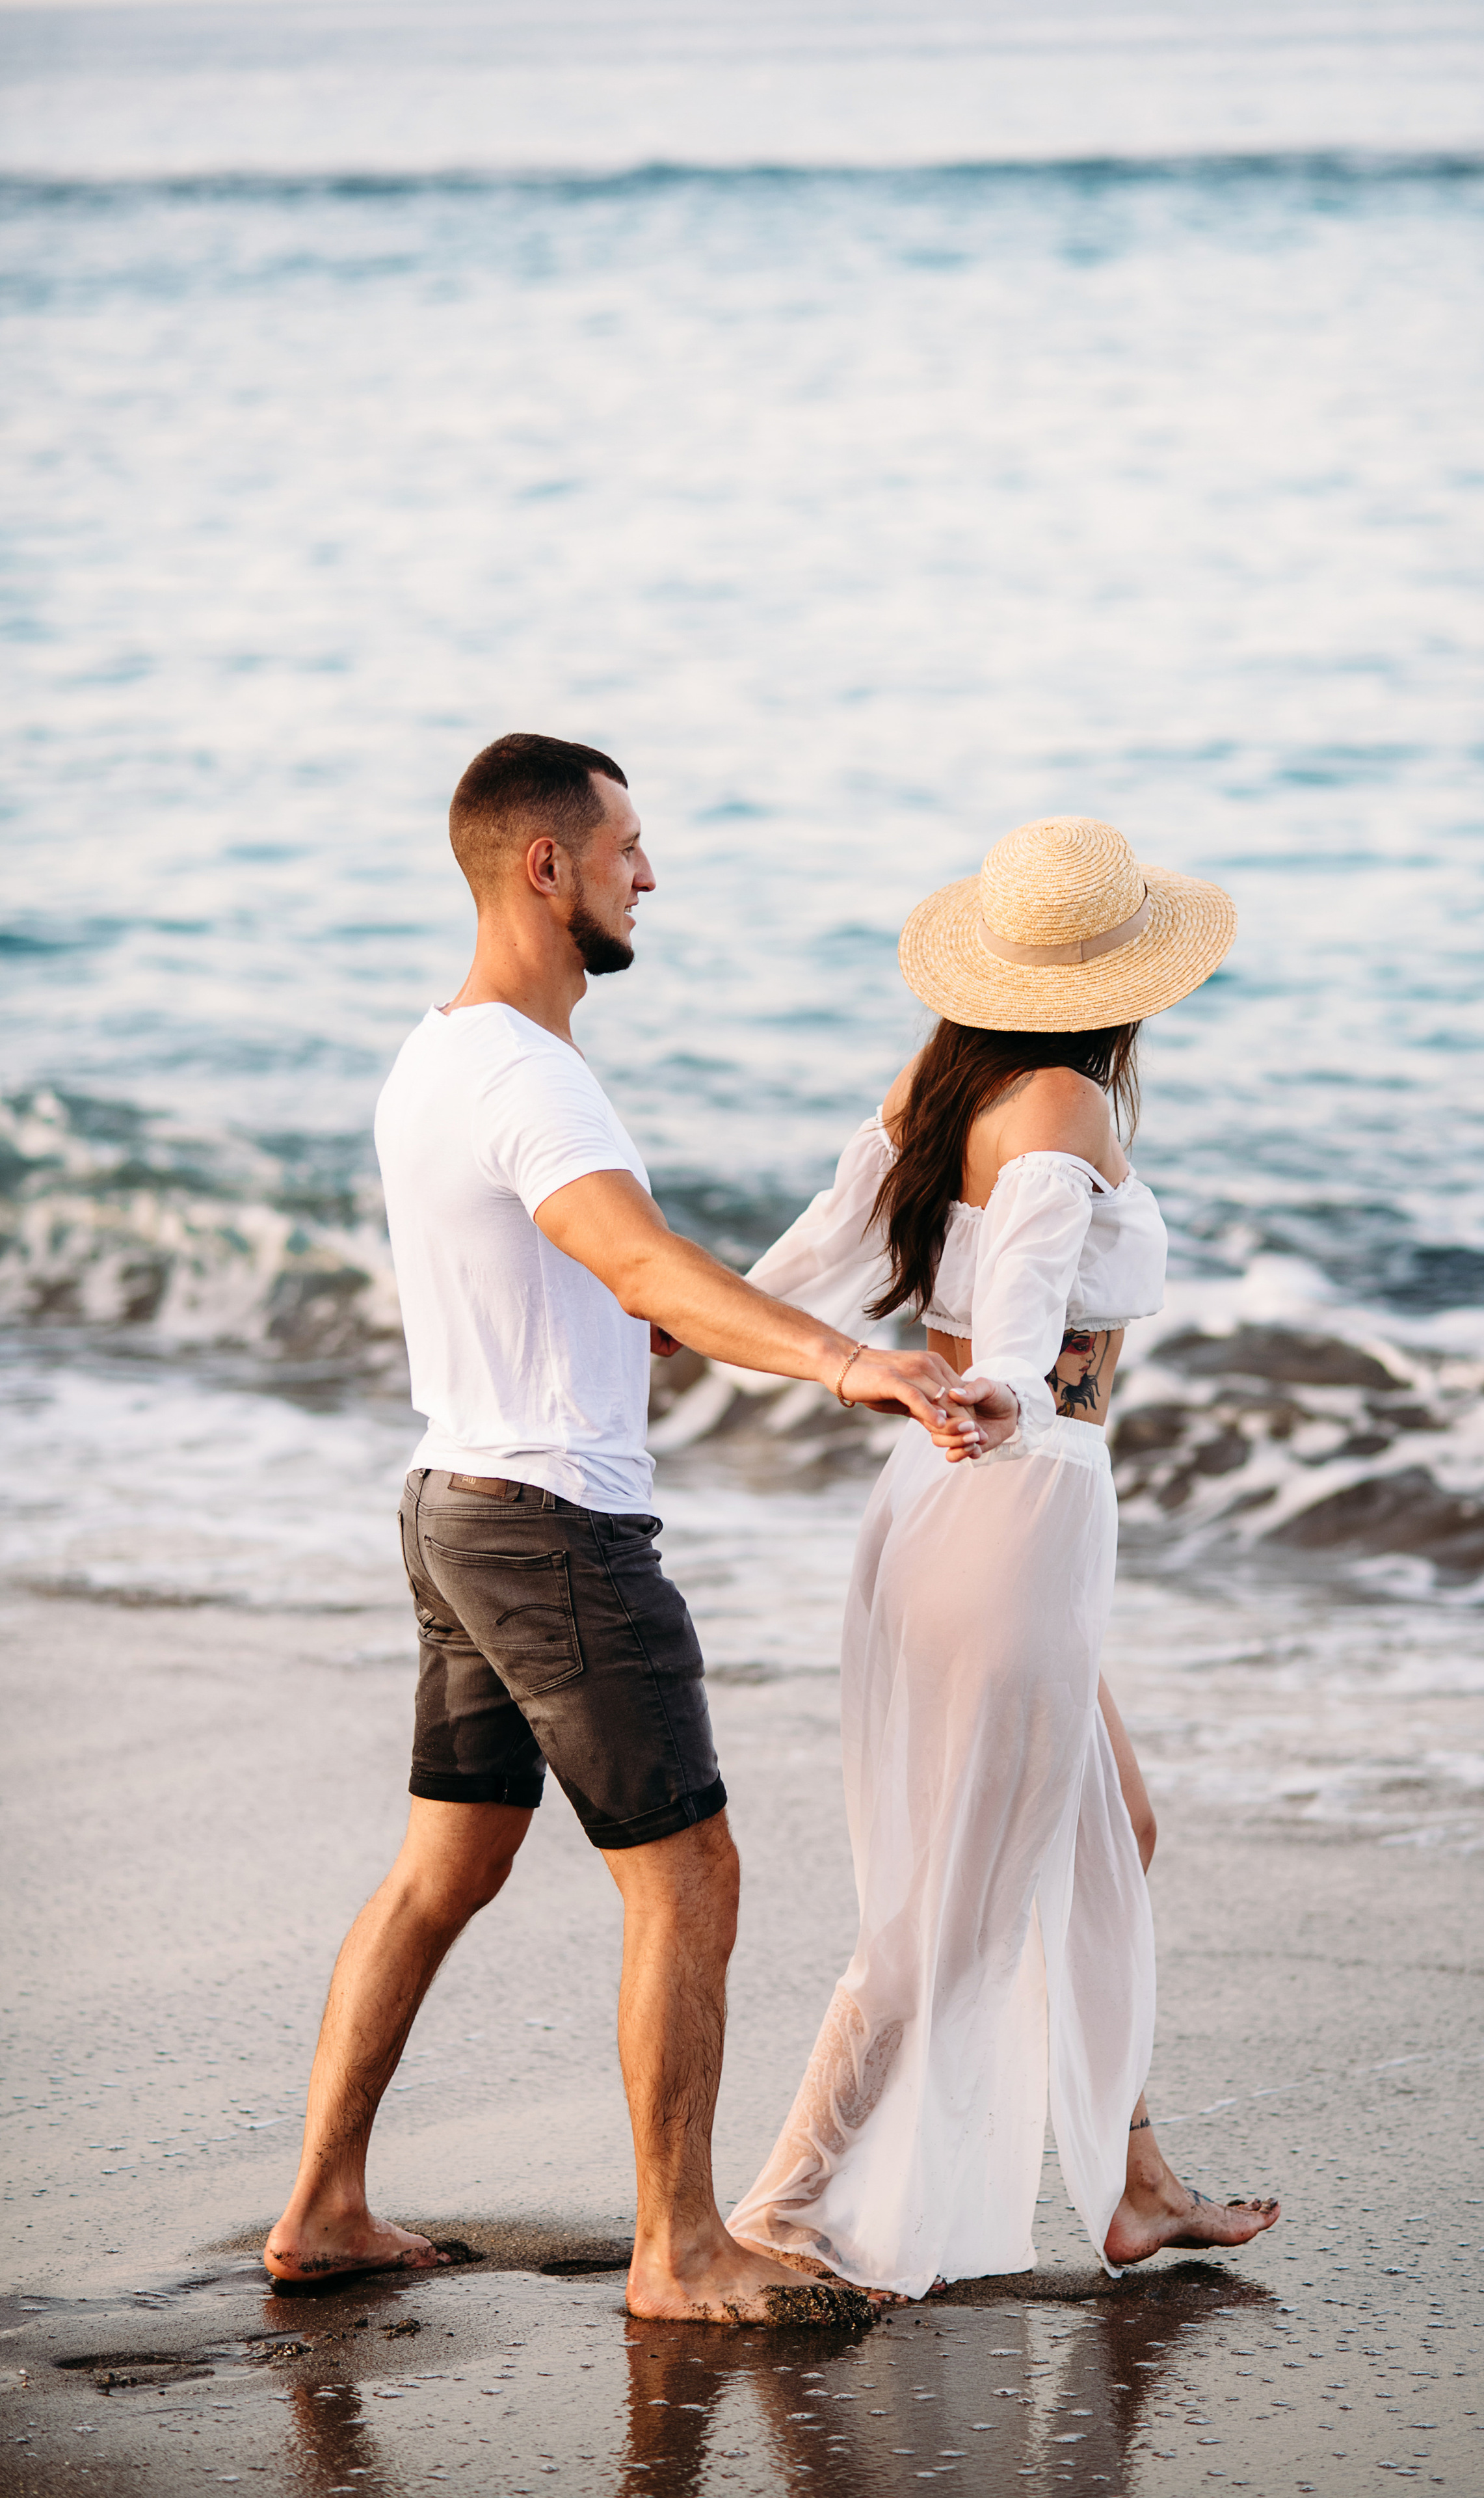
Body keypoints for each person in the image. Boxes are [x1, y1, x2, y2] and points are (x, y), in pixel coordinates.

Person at [263, 733, 1000, 2326]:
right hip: (553, 1535)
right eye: (627, 848)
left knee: (440, 1871)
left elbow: (585, 1278)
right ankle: (680, 2248)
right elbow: (639, 1261)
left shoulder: (444, 1052)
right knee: (689, 1875)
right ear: (547, 865)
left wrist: (657, 1318)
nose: (647, 875)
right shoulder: (530, 1074)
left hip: (457, 1500)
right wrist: (849, 1361)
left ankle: (323, 2202)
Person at [727, 813, 1282, 2298]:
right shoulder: (1066, 1110)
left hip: (946, 1495)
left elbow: (832, 1245)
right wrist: (1017, 1388)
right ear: (1127, 976)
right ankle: (778, 2212)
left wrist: (710, 1313)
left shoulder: (944, 1081)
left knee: (1115, 1832)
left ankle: (1135, 2181)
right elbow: (1031, 1285)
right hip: (1016, 1495)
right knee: (952, 1908)